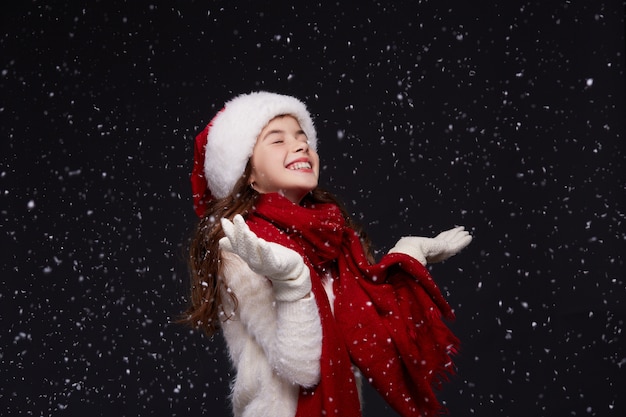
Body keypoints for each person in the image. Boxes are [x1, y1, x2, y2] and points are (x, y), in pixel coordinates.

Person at [182, 91, 472, 417]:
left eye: (302, 137)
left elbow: (368, 329)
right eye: (277, 141)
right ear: (248, 174)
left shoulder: (333, 237)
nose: (301, 145)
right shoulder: (242, 247)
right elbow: (302, 370)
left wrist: (408, 254)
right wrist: (292, 282)